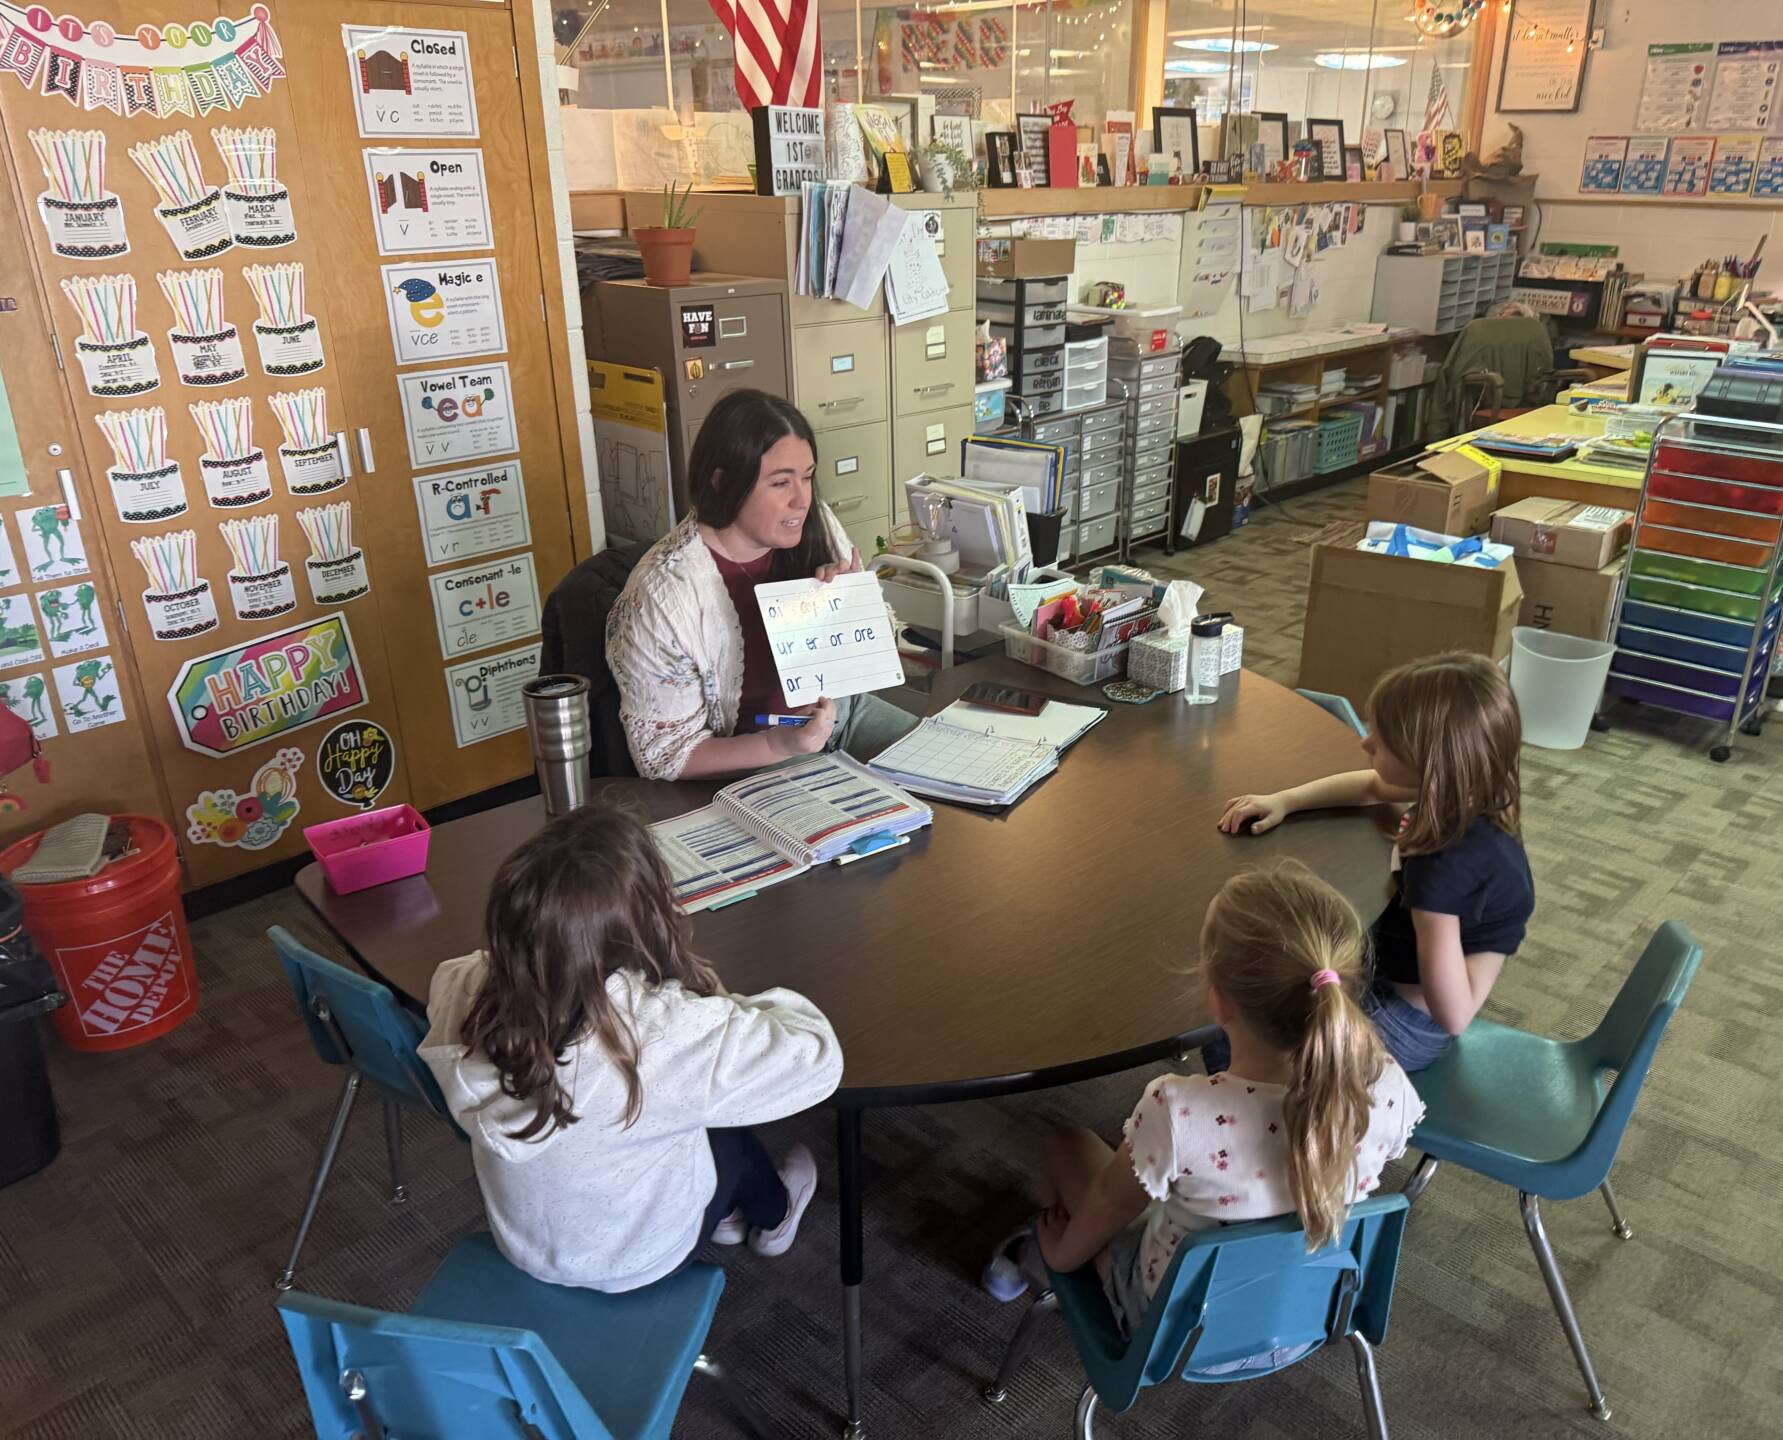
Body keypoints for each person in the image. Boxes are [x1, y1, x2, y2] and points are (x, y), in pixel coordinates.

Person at [985, 862, 1422, 1350]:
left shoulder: (1179, 1110)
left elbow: (1109, 1205)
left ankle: (1029, 1256)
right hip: (1312, 1312)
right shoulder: (1387, 1084)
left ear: (1217, 1002)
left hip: (1178, 1328)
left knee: (1068, 1144)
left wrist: (1061, 1256)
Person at [418, 804, 843, 1292]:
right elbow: (817, 1055)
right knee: (729, 1131)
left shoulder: (464, 987)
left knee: (682, 1104)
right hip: (639, 1257)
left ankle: (725, 1212)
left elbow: (463, 968)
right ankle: (774, 1217)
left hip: (526, 1245)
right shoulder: (664, 1035)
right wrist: (718, 1003)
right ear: (651, 921)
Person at [1217, 652, 1532, 1072]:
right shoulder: (1472, 792)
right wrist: (1284, 801)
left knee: (1235, 1043)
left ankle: (1263, 1128)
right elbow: (1371, 785)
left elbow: (1454, 1015)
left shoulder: (1438, 866)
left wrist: (1435, 922)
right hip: (1402, 979)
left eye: (1380, 740)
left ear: (1429, 761)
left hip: (1407, 1022)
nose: (1365, 743)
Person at [606, 388, 915, 780]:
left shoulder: (814, 522)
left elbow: (881, 653)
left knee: (958, 779)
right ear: (722, 482)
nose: (801, 500)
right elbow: (666, 756)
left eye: (807, 477)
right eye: (780, 483)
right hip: (758, 752)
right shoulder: (663, 595)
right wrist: (780, 744)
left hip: (842, 715)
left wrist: (855, 611)